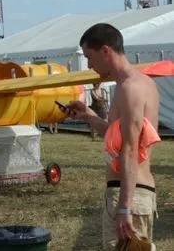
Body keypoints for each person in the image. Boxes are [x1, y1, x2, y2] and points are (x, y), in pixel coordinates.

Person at [66, 23, 160, 250]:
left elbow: (129, 149)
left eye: (90, 57)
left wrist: (125, 208)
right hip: (137, 192)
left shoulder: (129, 89)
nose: (89, 65)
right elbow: (118, 135)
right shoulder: (142, 84)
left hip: (129, 193)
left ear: (106, 51)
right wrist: (88, 116)